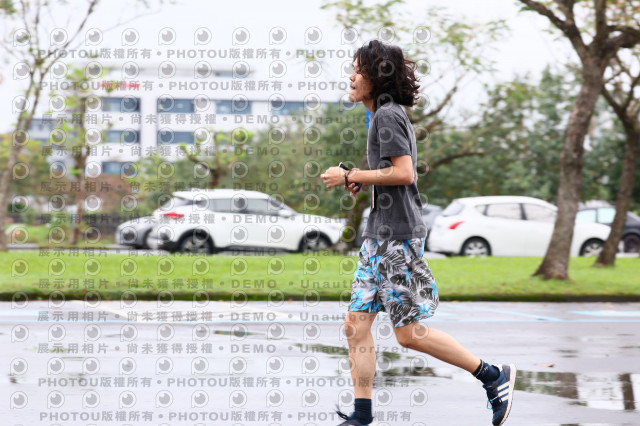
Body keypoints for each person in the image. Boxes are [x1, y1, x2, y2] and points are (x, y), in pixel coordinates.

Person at [320, 39, 516, 426]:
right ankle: (362, 415)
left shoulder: (387, 115)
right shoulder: (380, 116)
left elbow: (405, 172)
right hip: (378, 237)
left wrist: (350, 174)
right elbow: (391, 172)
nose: (351, 77)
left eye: (357, 70)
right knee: (355, 326)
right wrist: (362, 179)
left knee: (408, 334)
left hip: (396, 238)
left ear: (376, 77)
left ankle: (493, 376)